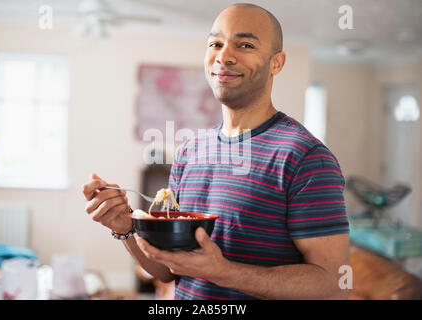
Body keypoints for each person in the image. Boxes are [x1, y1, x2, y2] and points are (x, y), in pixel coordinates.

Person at [82, 3, 350, 300]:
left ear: (276, 62)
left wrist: (222, 271)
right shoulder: (190, 151)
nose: (224, 56)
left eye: (245, 44)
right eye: (216, 44)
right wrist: (126, 227)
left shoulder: (305, 157)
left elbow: (333, 285)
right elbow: (168, 270)